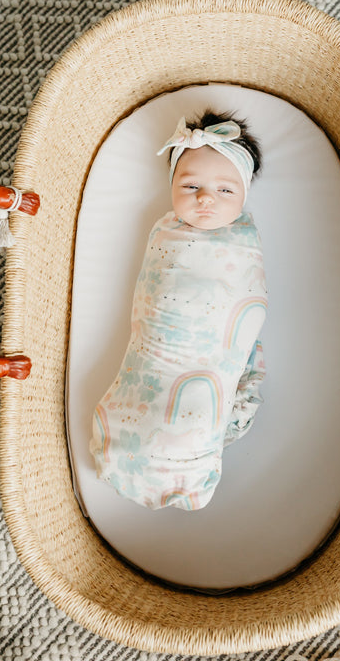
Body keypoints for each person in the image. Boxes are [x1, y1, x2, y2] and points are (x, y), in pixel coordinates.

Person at [89, 110, 267, 510]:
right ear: (171, 185)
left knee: (199, 411)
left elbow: (246, 302)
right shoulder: (164, 232)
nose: (205, 198)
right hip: (159, 350)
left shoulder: (242, 242)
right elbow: (151, 294)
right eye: (190, 185)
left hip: (209, 355)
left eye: (225, 191)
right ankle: (131, 440)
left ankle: (189, 461)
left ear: (243, 197)